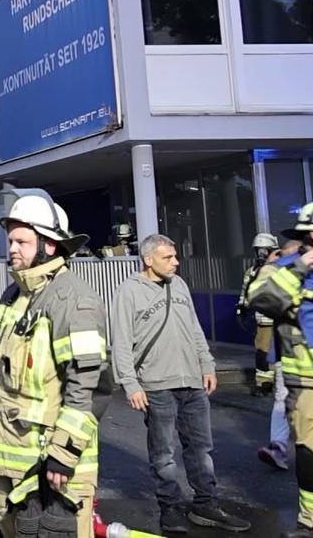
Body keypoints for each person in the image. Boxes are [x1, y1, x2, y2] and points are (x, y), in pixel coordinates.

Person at [0, 192, 107, 538]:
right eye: (10, 241)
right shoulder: (14, 297)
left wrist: (62, 454)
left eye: (21, 241)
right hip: (8, 463)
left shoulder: (73, 300)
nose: (12, 249)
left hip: (52, 471)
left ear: (49, 245)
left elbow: (90, 386)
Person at [111, 234, 250, 533]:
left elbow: (195, 329)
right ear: (148, 260)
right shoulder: (129, 291)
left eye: (175, 256)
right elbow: (121, 342)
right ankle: (170, 508)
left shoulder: (179, 285)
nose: (176, 262)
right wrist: (131, 384)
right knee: (163, 455)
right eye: (168, 258)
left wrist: (207, 364)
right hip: (156, 385)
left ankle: (205, 504)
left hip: (192, 382)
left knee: (201, 449)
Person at [248, 203, 313, 538]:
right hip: (306, 383)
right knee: (309, 450)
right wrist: (301, 267)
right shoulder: (284, 267)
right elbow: (261, 300)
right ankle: (309, 519)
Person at [259, 238, 304, 471]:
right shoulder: (282, 273)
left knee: (283, 401)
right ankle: (278, 447)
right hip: (288, 355)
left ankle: (279, 447)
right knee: (283, 400)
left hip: (291, 354)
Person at [241, 233, 282, 396]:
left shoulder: (282, 269)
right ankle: (264, 383)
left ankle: (284, 382)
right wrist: (242, 308)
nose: (262, 254)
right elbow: (246, 292)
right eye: (259, 250)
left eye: (265, 250)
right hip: (263, 320)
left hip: (281, 319)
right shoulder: (252, 272)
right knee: (262, 352)